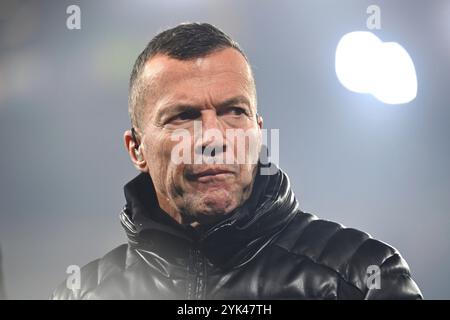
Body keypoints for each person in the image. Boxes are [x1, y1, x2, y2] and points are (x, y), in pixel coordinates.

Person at [51, 23, 422, 299]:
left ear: (257, 132)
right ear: (137, 149)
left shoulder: (360, 276)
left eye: (234, 111)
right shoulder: (83, 293)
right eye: (183, 116)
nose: (213, 137)